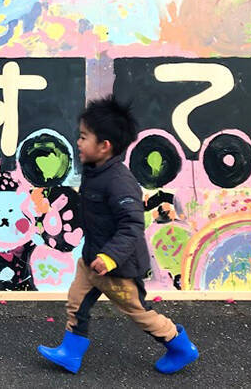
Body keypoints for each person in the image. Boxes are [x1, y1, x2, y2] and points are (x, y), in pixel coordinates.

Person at [36, 95, 198, 375]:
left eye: (84, 137)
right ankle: (71, 353)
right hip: (92, 259)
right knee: (77, 302)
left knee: (139, 313)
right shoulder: (95, 171)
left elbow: (132, 225)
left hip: (118, 267)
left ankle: (180, 346)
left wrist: (110, 257)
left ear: (104, 146)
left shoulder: (119, 182)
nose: (78, 142)